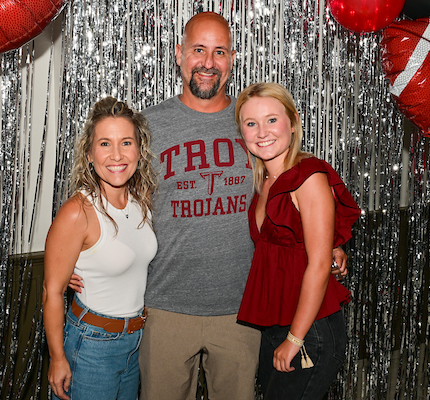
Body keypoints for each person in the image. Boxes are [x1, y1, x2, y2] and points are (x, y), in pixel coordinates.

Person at [70, 12, 348, 399]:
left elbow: (293, 181)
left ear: (232, 60)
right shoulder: (147, 126)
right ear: (180, 55)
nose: (208, 62)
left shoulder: (250, 123)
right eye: (198, 50)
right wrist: (75, 257)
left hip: (242, 310)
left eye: (219, 52)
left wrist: (327, 240)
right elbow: (109, 193)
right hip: (165, 307)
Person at [234, 82, 361, 400]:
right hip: (276, 321)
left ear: (292, 123)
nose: (262, 132)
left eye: (272, 120)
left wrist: (295, 338)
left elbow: (319, 266)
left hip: (309, 328)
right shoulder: (264, 177)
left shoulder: (309, 177)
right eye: (251, 123)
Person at [43, 97, 158, 400]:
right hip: (92, 345)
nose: (117, 155)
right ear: (90, 153)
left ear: (139, 150)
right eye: (105, 143)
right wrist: (57, 359)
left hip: (133, 342)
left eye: (126, 142)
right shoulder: (78, 211)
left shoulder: (139, 201)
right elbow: (51, 291)